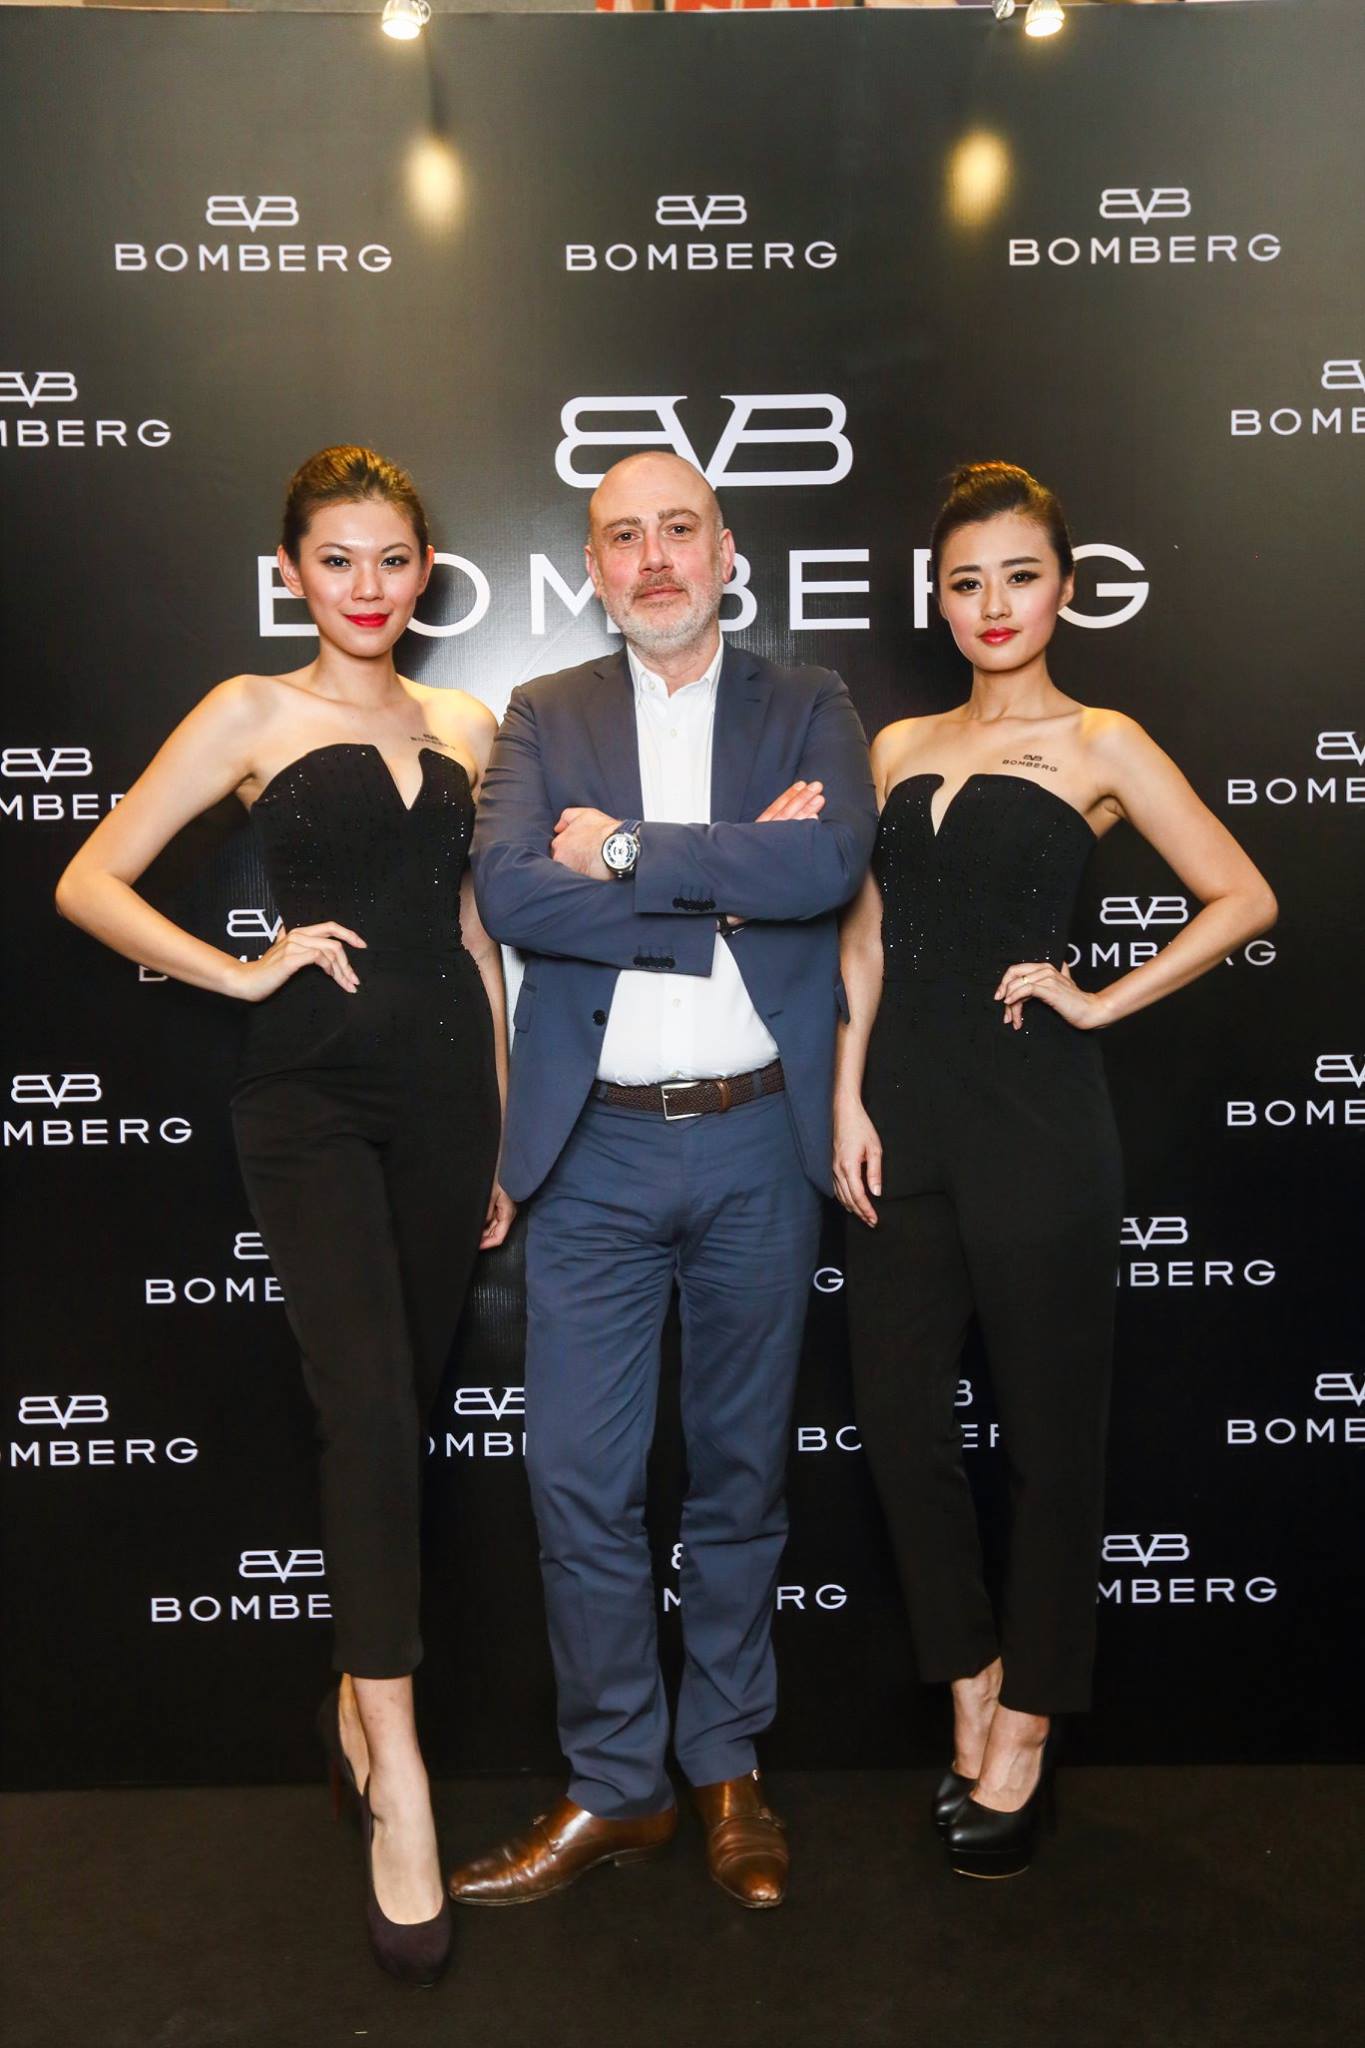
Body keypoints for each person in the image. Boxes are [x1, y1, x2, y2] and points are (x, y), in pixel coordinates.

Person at [55, 446, 513, 1982]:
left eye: (392, 559)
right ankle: (401, 1774)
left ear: (424, 571)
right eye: (336, 559)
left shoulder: (464, 724)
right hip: (306, 1099)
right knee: (368, 1415)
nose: (366, 587)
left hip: (447, 1109)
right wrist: (241, 970)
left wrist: (501, 1126)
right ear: (292, 572)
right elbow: (93, 879)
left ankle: (351, 1706)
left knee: (405, 1420)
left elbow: (474, 936)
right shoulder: (250, 712)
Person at [445, 450, 877, 1911]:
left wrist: (625, 853)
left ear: (724, 548)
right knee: (578, 1479)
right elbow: (512, 892)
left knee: (742, 1474)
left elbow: (824, 870)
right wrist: (714, 899)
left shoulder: (806, 703)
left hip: (760, 1141)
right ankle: (617, 1782)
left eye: (677, 530)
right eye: (622, 537)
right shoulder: (543, 711)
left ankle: (726, 1768)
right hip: (595, 1150)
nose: (653, 560)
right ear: (592, 566)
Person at [834, 462, 1276, 1880]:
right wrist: (845, 1097)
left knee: (1047, 1439)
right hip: (899, 1118)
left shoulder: (1101, 741)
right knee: (897, 1423)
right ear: (940, 599)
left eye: (1018, 577)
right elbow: (861, 939)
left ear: (1064, 590)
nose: (992, 605)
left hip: (1037, 1120)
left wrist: (1098, 996)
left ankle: (1026, 1723)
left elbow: (1242, 893)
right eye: (965, 582)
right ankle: (967, 1676)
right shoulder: (897, 744)